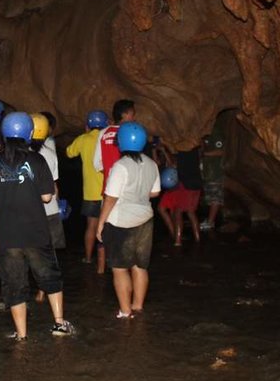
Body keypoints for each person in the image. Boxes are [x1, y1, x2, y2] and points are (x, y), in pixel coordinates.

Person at [0, 112, 74, 340]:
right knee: (49, 276)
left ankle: (21, 335)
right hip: (35, 232)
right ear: (29, 134)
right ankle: (59, 325)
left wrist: (6, 195)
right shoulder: (37, 160)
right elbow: (46, 196)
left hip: (7, 235)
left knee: (14, 284)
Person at [97, 122, 160, 319]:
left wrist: (101, 223)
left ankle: (125, 311)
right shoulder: (152, 164)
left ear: (121, 142)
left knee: (119, 268)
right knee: (140, 266)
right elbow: (155, 192)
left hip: (121, 222)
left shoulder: (120, 166)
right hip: (145, 219)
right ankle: (138, 306)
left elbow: (111, 198)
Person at [66, 110, 107, 271]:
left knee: (91, 225)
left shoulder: (83, 139)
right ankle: (105, 261)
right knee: (107, 227)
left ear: (88, 125)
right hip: (108, 192)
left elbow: (69, 153)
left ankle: (89, 258)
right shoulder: (106, 139)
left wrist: (85, 136)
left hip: (90, 192)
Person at [30, 113, 65, 250]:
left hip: (28, 211)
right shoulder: (50, 154)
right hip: (50, 209)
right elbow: (54, 184)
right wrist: (58, 202)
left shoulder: (21, 154)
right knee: (51, 252)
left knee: (32, 252)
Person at [157, 146, 202, 246]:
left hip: (185, 183)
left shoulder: (184, 149)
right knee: (190, 212)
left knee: (178, 211)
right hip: (195, 181)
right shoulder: (194, 148)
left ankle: (178, 240)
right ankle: (197, 239)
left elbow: (174, 165)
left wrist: (165, 151)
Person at [93, 99, 136, 189]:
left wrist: (112, 175)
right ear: (124, 115)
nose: (134, 118)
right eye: (132, 114)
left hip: (109, 188)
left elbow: (97, 163)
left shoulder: (103, 133)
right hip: (128, 189)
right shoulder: (131, 133)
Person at [200, 124, 226, 232]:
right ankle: (210, 220)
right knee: (211, 196)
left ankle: (210, 222)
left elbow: (222, 151)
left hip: (215, 172)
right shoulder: (206, 136)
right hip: (208, 172)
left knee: (215, 196)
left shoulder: (216, 134)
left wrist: (205, 153)